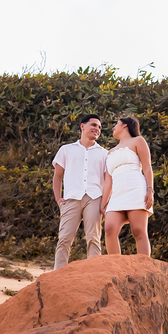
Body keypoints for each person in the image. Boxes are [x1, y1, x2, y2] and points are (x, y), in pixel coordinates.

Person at [51, 114, 108, 270]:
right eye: (94, 125)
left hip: (94, 198)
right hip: (71, 198)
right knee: (64, 238)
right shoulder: (66, 149)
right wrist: (58, 198)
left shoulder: (104, 153)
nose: (97, 129)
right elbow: (57, 176)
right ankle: (58, 274)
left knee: (94, 238)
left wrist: (105, 203)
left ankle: (94, 273)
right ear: (83, 126)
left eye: (99, 127)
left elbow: (107, 180)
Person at [102, 115, 154, 256]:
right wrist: (103, 204)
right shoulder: (110, 152)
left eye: (116, 124)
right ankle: (116, 265)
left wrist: (150, 190)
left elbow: (147, 167)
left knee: (138, 230)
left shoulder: (138, 141)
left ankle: (144, 266)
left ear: (125, 125)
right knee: (109, 228)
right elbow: (108, 182)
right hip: (117, 194)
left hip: (135, 188)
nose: (113, 127)